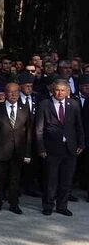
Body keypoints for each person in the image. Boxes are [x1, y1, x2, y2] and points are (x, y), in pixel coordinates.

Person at [36, 79, 84, 216]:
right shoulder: (44, 104)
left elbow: (78, 125)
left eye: (63, 90)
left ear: (67, 91)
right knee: (50, 180)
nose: (59, 93)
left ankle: (62, 206)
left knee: (66, 179)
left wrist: (81, 143)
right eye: (57, 90)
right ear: (52, 90)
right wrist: (41, 148)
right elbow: (39, 129)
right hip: (51, 149)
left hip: (70, 148)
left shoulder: (74, 104)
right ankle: (48, 205)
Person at [0, 82, 31, 214]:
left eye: (16, 92)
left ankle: (14, 204)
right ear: (5, 93)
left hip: (18, 150)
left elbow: (29, 131)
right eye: (10, 92)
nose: (13, 95)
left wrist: (28, 152)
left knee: (15, 179)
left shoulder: (24, 108)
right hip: (1, 150)